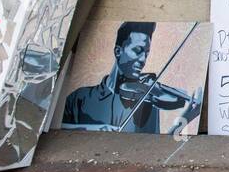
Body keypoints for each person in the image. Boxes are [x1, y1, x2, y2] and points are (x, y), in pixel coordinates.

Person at [62, 22, 200, 134]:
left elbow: (155, 152)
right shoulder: (78, 99)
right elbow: (59, 136)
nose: (143, 60)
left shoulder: (145, 104)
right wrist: (98, 129)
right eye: (137, 51)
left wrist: (185, 119)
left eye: (146, 53)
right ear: (118, 51)